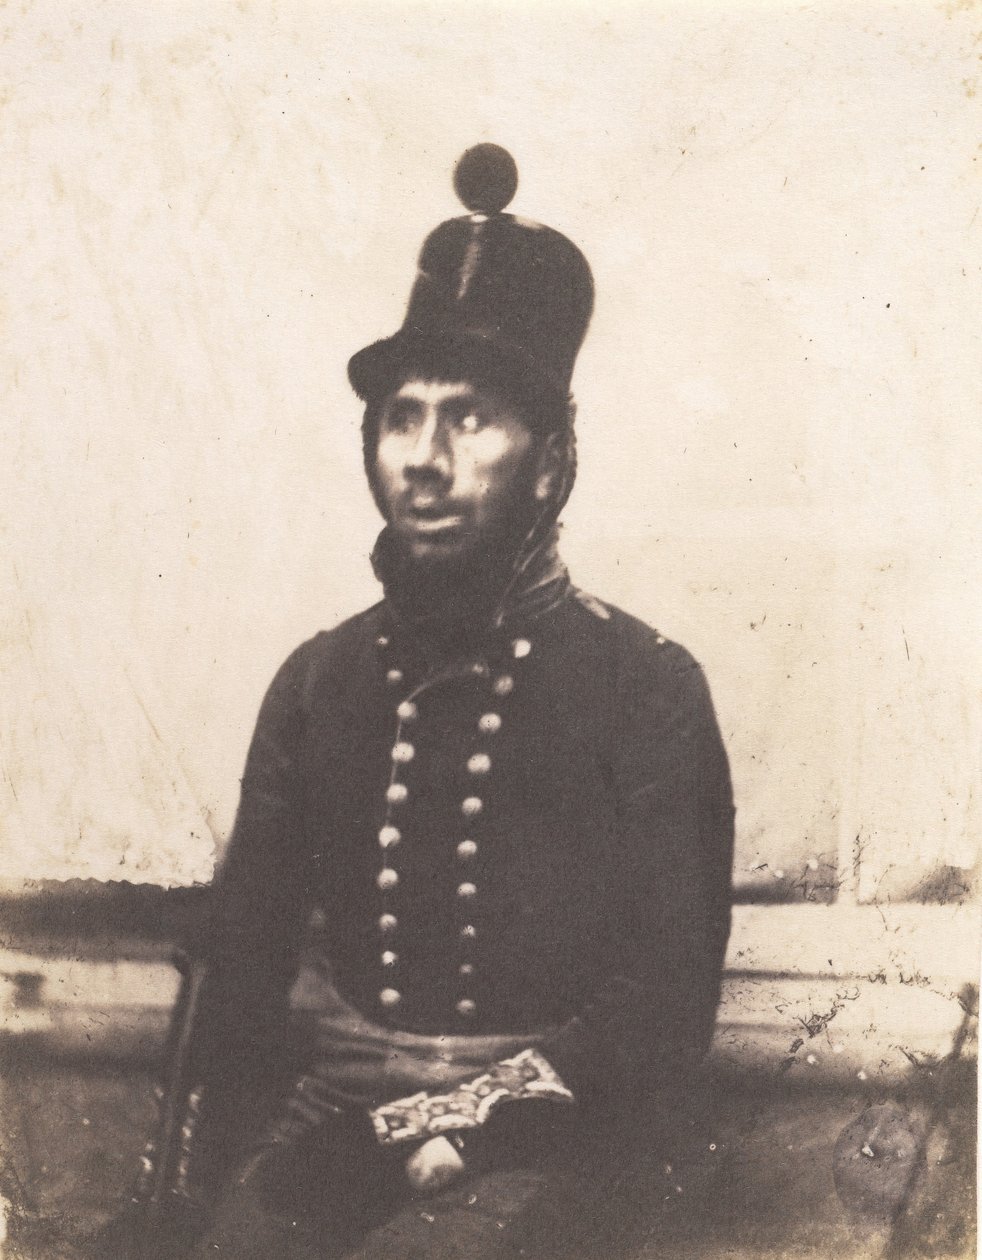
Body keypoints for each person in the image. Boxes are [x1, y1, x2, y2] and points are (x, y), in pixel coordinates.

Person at [99, 144, 735, 1260]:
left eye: (470, 418)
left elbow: (663, 1003)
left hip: (554, 1136)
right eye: (402, 417)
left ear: (550, 464)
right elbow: (245, 969)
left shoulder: (645, 686)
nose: (425, 460)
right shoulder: (318, 683)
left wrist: (442, 1130)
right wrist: (189, 1202)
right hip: (331, 1114)